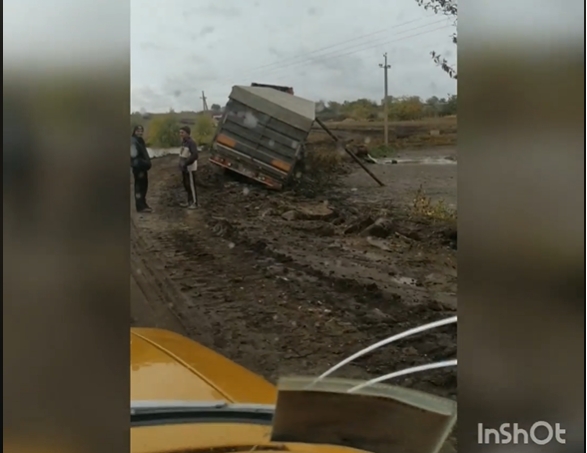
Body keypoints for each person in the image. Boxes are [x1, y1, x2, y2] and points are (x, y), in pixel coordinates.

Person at [130, 125, 152, 213]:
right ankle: (140, 206)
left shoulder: (140, 141)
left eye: (141, 131)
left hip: (142, 168)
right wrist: (144, 163)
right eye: (138, 131)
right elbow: (134, 156)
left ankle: (143, 204)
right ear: (134, 131)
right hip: (138, 169)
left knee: (144, 186)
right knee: (139, 187)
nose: (140, 132)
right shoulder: (132, 141)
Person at [178, 126, 199, 209]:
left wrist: (186, 163)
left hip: (190, 168)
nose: (180, 134)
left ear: (187, 133)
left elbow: (195, 155)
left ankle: (195, 202)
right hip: (184, 168)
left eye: (182, 132)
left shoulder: (191, 143)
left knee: (191, 185)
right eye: (180, 132)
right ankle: (189, 201)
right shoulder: (184, 143)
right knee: (186, 185)